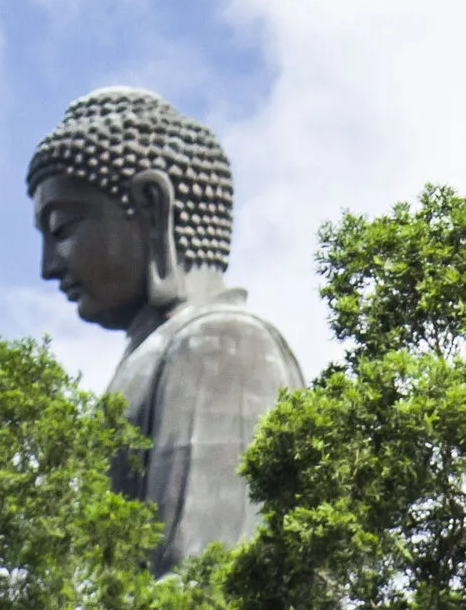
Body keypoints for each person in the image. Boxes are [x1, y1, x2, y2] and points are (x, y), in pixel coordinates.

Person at [26, 86, 303, 569]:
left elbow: (203, 580)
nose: (50, 266)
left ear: (152, 206)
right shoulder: (161, 353)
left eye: (63, 228)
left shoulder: (222, 344)